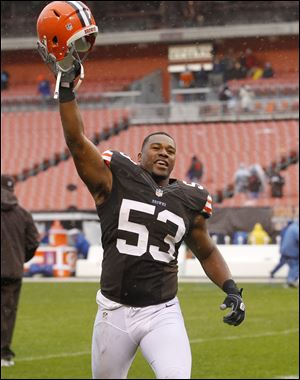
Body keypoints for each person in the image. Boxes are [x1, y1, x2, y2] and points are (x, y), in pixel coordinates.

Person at [37, 4, 245, 378]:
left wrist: (231, 287)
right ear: (139, 154)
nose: (164, 153)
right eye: (156, 147)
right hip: (113, 310)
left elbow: (206, 248)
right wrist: (66, 88)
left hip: (161, 311)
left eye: (170, 150)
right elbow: (75, 140)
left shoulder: (189, 198)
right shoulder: (116, 177)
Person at [1, 175, 39, 367]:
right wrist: (19, 259)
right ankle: (3, 354)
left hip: (10, 269)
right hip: (11, 273)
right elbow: (33, 242)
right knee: (7, 312)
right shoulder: (23, 214)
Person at [280, 220, 299, 288]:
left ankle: (289, 281)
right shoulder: (296, 229)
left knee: (293, 266)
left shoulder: (292, 227)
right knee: (296, 266)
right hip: (291, 251)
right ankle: (291, 281)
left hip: (287, 250)